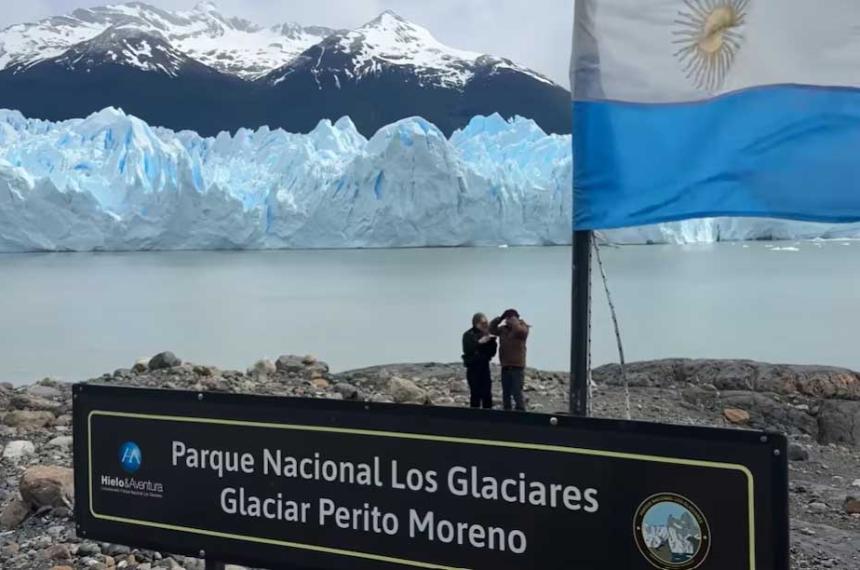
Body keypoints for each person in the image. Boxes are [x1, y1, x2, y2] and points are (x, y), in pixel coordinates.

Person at [489, 309, 530, 411]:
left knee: (517, 391)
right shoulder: (503, 329)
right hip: (506, 366)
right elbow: (491, 329)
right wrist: (499, 318)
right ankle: (507, 413)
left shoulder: (523, 327)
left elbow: (520, 331)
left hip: (517, 367)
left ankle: (520, 411)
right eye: (507, 318)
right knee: (506, 393)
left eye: (510, 317)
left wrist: (515, 322)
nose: (508, 320)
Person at [461, 313, 497, 409]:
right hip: (473, 368)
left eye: (486, 323)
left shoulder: (487, 334)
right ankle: (474, 419)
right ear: (476, 323)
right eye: (482, 323)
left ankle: (488, 419)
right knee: (475, 394)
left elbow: (492, 352)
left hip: (484, 368)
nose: (485, 325)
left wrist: (492, 341)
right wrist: (479, 342)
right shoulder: (468, 335)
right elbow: (467, 349)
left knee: (487, 394)